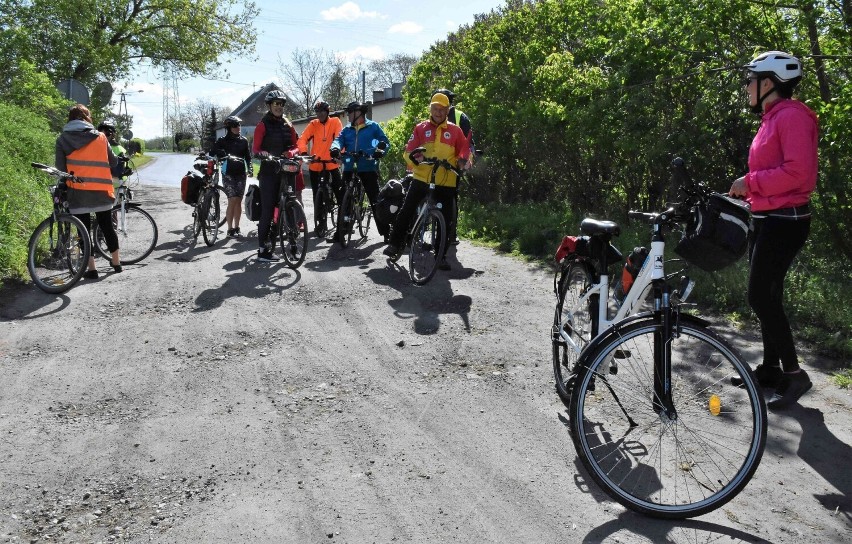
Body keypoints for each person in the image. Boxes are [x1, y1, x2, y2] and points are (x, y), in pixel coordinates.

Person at [728, 51, 818, 410]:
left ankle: (795, 375)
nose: (747, 87)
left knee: (760, 296)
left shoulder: (793, 116)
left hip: (787, 220)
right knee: (769, 293)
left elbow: (800, 174)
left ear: (768, 83)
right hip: (769, 218)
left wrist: (749, 183)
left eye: (751, 80)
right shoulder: (772, 118)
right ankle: (770, 369)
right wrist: (749, 189)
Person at [383, 93, 471, 270]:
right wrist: (414, 156)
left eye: (442, 109)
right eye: (435, 108)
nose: (438, 112)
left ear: (447, 111)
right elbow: (408, 151)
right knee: (407, 210)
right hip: (422, 177)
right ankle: (394, 244)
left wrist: (464, 161)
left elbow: (464, 150)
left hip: (446, 181)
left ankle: (441, 255)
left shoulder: (455, 130)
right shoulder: (421, 128)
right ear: (430, 108)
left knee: (446, 220)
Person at [56, 104, 121, 278]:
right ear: (87, 118)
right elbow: (113, 162)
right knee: (107, 227)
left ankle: (92, 269)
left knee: (82, 230)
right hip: (102, 191)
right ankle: (116, 263)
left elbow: (60, 168)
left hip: (78, 192)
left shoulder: (62, 139)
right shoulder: (101, 137)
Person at [329, 101, 391, 237]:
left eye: (349, 112)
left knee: (375, 200)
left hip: (368, 167)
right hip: (350, 166)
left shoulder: (373, 127)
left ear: (358, 113)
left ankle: (386, 233)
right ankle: (341, 231)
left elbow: (385, 142)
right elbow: (338, 140)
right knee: (344, 198)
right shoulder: (347, 129)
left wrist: (380, 150)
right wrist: (335, 148)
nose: (348, 116)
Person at [252, 90, 300, 262]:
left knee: (290, 206)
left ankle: (293, 246)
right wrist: (263, 153)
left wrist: (291, 152)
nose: (279, 107)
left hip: (286, 170)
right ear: (269, 106)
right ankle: (263, 250)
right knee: (267, 210)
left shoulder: (289, 124)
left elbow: (297, 146)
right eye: (275, 104)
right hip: (269, 171)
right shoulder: (262, 125)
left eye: (281, 104)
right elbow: (255, 149)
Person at [433, 88, 475, 246]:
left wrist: (465, 160)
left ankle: (450, 233)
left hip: (452, 167)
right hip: (431, 165)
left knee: (450, 199)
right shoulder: (432, 115)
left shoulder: (460, 117)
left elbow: (468, 143)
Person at [297, 100, 344, 232]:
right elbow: (302, 139)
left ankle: (344, 222)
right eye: (317, 112)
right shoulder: (313, 124)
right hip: (316, 164)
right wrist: (305, 153)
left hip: (331, 163)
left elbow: (339, 138)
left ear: (327, 111)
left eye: (322, 111)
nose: (320, 114)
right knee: (316, 195)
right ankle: (320, 223)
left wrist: (339, 154)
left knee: (340, 192)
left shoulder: (335, 122)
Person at [213, 115, 253, 238]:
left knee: (239, 201)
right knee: (232, 200)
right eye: (235, 126)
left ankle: (237, 227)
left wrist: (250, 168)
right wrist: (222, 154)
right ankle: (230, 229)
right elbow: (213, 152)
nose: (238, 127)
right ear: (229, 127)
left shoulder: (243, 140)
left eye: (239, 125)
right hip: (228, 173)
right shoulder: (222, 141)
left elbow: (248, 157)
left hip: (241, 173)